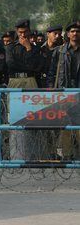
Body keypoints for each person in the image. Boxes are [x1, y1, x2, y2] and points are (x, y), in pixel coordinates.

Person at [6, 19, 45, 160]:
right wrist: (29, 64)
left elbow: (37, 67)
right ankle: (16, 152)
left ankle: (34, 151)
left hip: (30, 80)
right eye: (20, 32)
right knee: (14, 116)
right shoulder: (10, 47)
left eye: (25, 32)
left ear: (29, 32)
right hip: (15, 81)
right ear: (17, 32)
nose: (22, 35)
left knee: (33, 114)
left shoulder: (35, 48)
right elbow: (10, 64)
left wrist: (28, 48)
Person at [47, 20, 80, 159]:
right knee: (65, 124)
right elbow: (51, 72)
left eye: (78, 31)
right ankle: (67, 154)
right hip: (64, 90)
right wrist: (50, 89)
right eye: (72, 31)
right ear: (67, 34)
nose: (75, 34)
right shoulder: (59, 51)